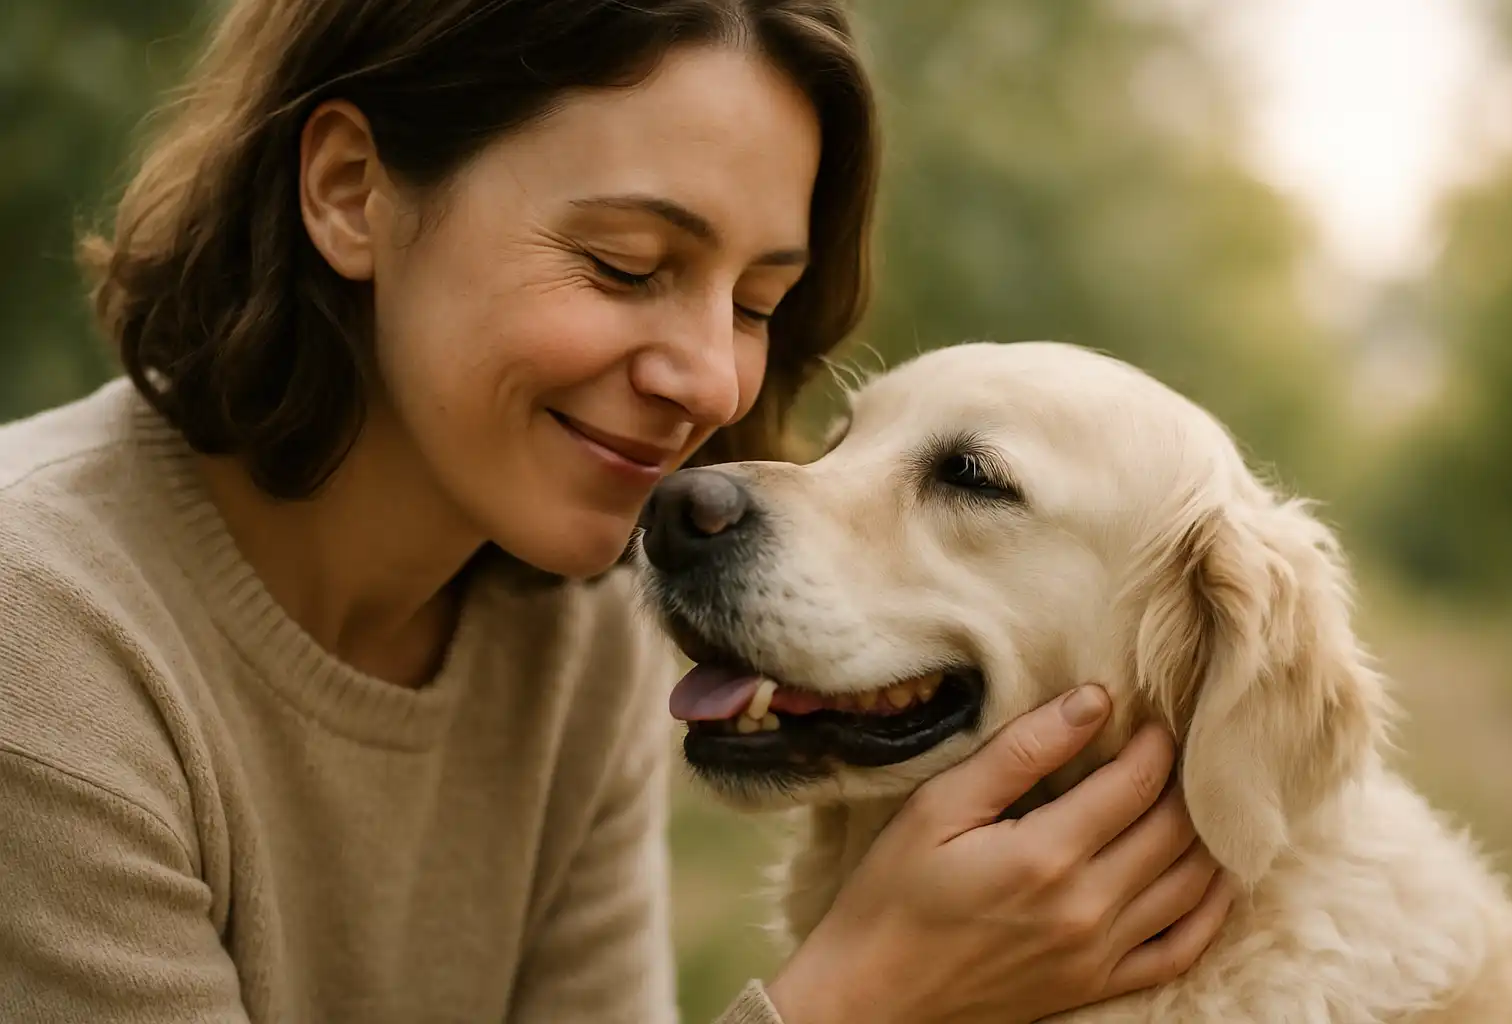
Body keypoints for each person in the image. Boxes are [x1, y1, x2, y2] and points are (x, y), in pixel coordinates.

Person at [0, 1, 1233, 1021]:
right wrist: (863, 997)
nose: (708, 380)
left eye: (754, 303)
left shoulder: (574, 628)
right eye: (626, 267)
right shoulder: (41, 639)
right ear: (349, 191)